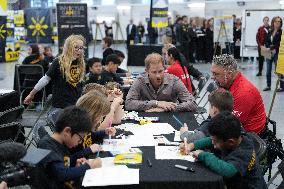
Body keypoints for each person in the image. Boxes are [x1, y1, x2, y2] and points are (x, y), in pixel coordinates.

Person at [180, 111, 267, 189]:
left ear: (230, 142)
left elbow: (227, 170)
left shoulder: (243, 153)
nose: (213, 144)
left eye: (215, 142)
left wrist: (203, 155)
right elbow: (211, 140)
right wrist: (192, 145)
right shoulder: (236, 136)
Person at [24, 34, 86, 122]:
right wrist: (31, 94)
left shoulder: (80, 62)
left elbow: (80, 84)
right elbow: (45, 79)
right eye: (76, 47)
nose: (79, 50)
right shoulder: (58, 62)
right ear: (68, 47)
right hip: (62, 105)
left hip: (75, 103)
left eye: (81, 48)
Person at [38, 106, 102, 189]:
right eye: (80, 138)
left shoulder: (62, 143)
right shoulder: (46, 145)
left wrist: (76, 164)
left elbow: (64, 161)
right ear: (67, 131)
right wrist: (89, 166)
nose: (80, 142)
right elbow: (62, 174)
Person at [211, 54, 266, 135]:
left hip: (249, 138)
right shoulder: (225, 84)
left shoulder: (243, 93)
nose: (212, 77)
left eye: (216, 74)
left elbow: (226, 129)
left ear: (229, 74)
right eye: (212, 73)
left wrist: (196, 143)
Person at [125, 53, 197, 112]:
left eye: (160, 71)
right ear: (146, 71)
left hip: (170, 118)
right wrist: (156, 103)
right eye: (154, 72)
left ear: (164, 68)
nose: (158, 76)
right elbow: (128, 104)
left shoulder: (174, 80)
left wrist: (168, 108)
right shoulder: (140, 81)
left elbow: (193, 103)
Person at [263, 16, 284, 92]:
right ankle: (268, 86)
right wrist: (268, 47)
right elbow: (266, 40)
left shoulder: (281, 32)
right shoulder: (270, 30)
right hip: (268, 53)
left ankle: (281, 86)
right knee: (268, 70)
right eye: (276, 21)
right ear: (273, 22)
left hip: (277, 53)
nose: (277, 23)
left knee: (278, 71)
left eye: (279, 22)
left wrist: (271, 48)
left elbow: (279, 43)